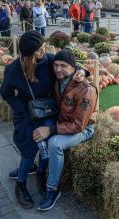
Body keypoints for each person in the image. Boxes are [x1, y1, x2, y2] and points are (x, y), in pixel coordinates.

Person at [0, 32, 87, 209]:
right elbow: (5, 93)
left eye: (43, 48)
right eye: (39, 51)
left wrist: (83, 71)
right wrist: (22, 108)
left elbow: (73, 66)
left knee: (46, 142)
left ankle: (41, 173)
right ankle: (21, 184)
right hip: (25, 114)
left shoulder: (49, 60)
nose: (44, 52)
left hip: (48, 111)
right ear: (28, 54)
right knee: (29, 148)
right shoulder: (13, 70)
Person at [34, 49, 97, 212]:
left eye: (63, 65)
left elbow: (79, 126)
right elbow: (40, 56)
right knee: (37, 128)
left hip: (83, 128)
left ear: (73, 67)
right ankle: (39, 170)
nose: (58, 69)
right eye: (56, 65)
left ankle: (52, 189)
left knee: (54, 143)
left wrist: (51, 130)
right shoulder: (59, 80)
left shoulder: (85, 89)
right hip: (64, 122)